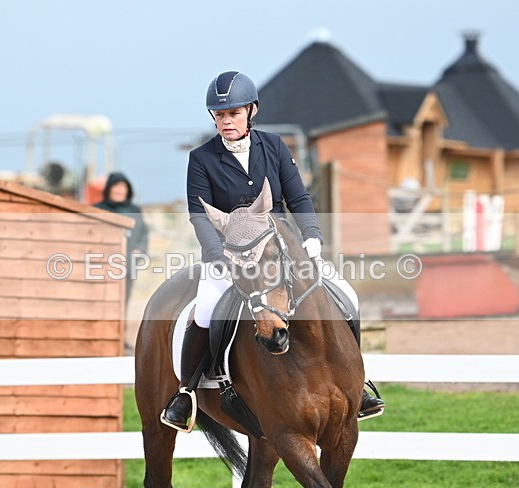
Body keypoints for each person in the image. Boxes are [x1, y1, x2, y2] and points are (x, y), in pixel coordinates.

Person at [161, 71, 384, 431]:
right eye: (219, 115)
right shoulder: (202, 158)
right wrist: (218, 256)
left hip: (280, 252)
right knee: (204, 309)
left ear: (251, 111)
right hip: (229, 254)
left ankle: (358, 385)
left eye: (232, 113)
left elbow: (297, 197)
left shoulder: (275, 146)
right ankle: (186, 393)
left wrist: (311, 234)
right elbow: (199, 215)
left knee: (346, 293)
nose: (226, 121)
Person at [93, 171, 149, 309]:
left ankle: (120, 329)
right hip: (102, 267)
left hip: (127, 266)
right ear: (109, 189)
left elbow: (143, 234)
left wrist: (139, 251)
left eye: (123, 187)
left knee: (122, 304)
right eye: (116, 187)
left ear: (128, 190)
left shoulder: (135, 210)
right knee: (101, 302)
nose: (119, 191)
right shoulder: (97, 209)